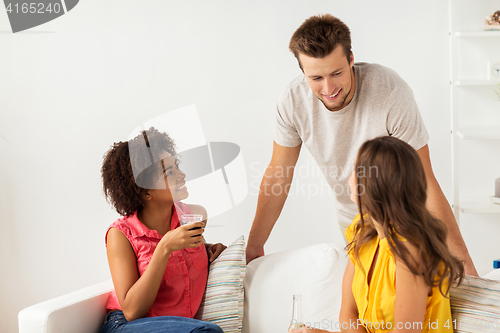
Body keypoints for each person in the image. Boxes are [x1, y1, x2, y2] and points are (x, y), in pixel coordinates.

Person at [246, 13, 477, 276]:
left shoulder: (390, 92)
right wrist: (254, 246)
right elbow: (279, 175)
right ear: (302, 72)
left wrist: (465, 265)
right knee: (365, 303)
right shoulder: (292, 101)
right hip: (355, 226)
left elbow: (423, 180)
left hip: (406, 220)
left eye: (337, 73)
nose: (329, 87)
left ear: (351, 59)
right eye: (316, 78)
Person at [291, 136, 465, 333]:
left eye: (355, 170)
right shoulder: (362, 233)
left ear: (374, 184)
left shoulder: (410, 251)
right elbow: (348, 314)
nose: (349, 178)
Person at [99, 127, 225, 333]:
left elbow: (184, 262)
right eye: (169, 173)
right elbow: (132, 311)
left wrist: (210, 249)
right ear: (145, 191)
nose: (182, 175)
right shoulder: (120, 234)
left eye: (176, 167)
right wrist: (164, 247)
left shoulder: (195, 217)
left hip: (181, 327)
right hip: (126, 326)